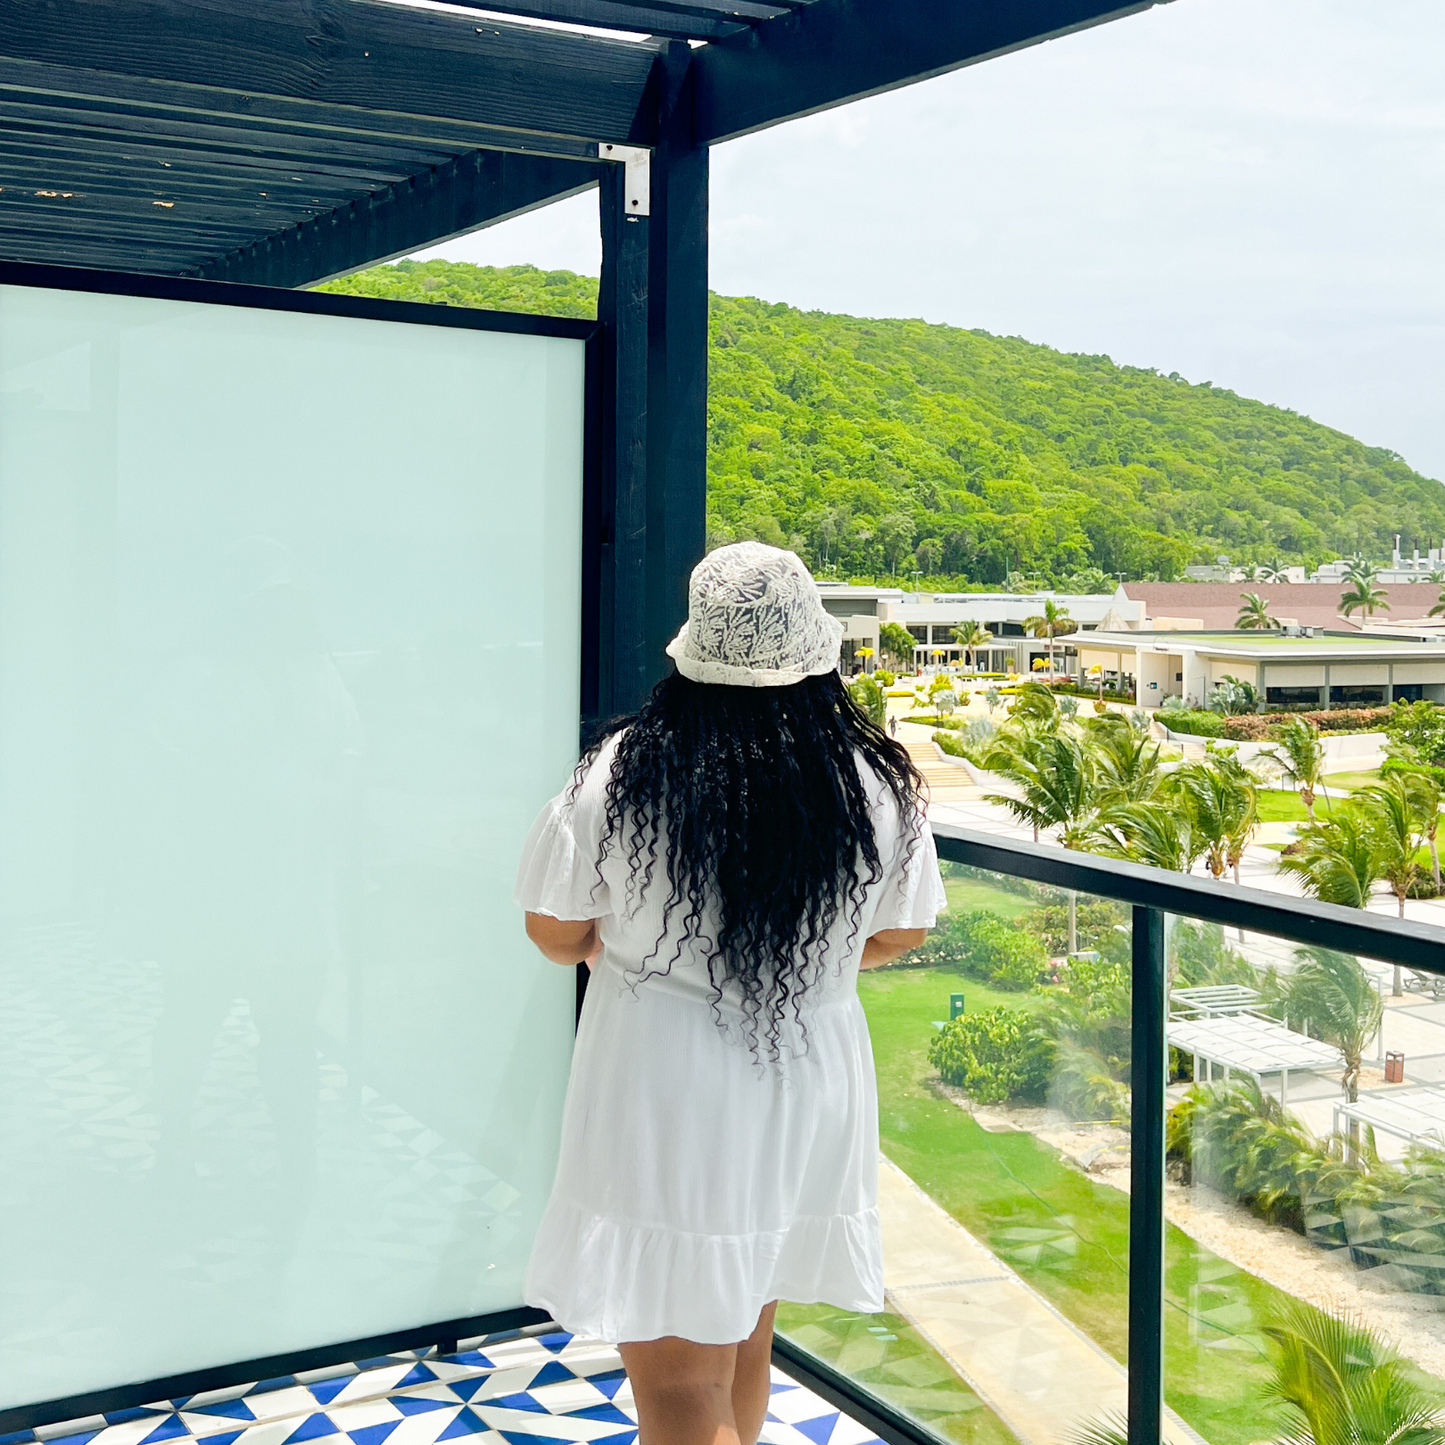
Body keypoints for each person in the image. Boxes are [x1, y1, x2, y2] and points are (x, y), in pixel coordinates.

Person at [515, 541, 944, 1445]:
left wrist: (620, 950)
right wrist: (817, 959)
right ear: (817, 655)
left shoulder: (627, 772)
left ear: (691, 655)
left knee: (676, 1393)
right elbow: (901, 928)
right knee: (747, 1342)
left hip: (666, 1083)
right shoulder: (872, 780)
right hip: (806, 1075)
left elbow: (553, 930)